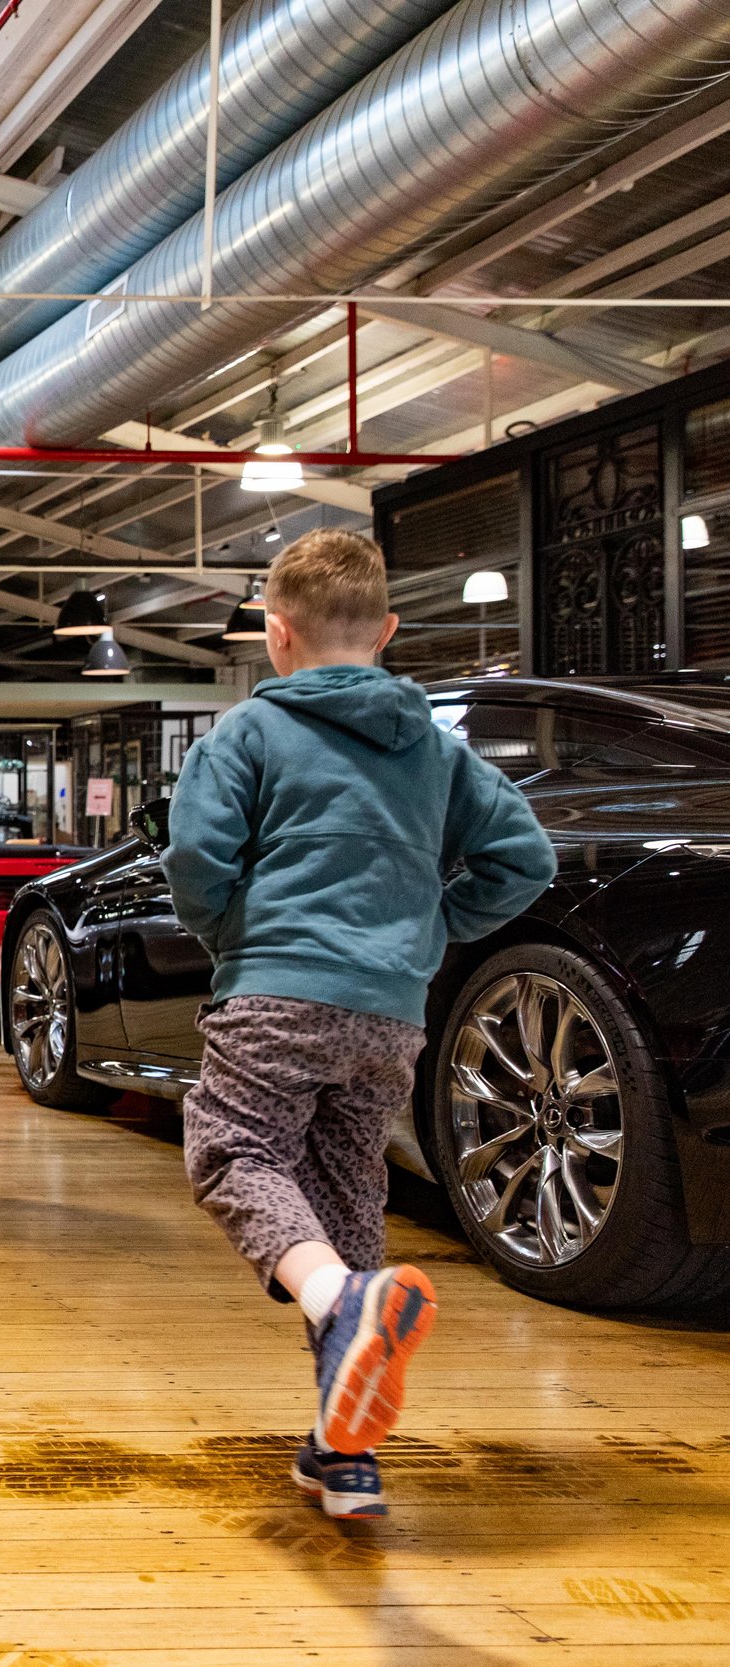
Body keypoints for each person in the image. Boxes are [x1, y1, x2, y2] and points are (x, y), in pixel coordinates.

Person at [165, 529, 554, 1521]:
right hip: (390, 1012)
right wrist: (425, 932)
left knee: (231, 1150)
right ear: (385, 630)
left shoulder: (246, 734)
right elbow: (524, 858)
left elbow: (197, 859)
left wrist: (235, 938)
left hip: (275, 990)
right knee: (343, 1202)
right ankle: (344, 1455)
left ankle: (343, 1308)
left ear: (274, 632)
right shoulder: (434, 745)